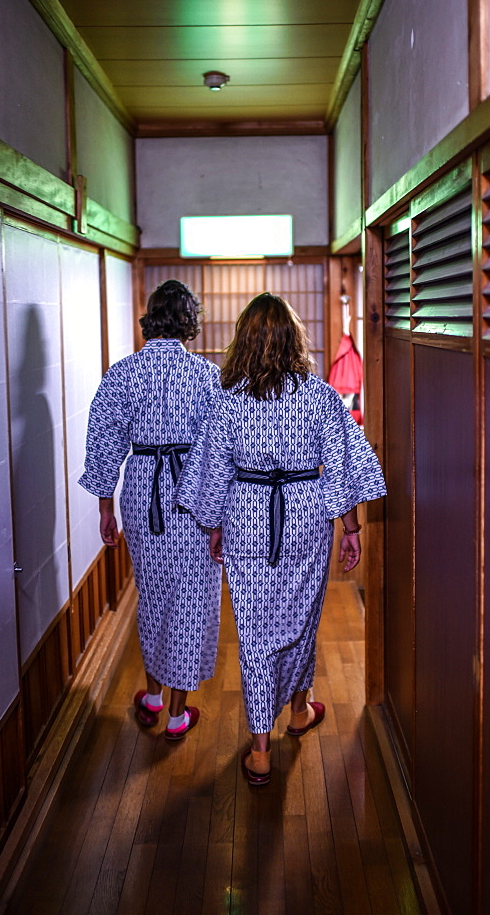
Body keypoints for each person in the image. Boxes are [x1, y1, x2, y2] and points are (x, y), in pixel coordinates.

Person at [176, 292, 386, 785]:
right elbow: (341, 468)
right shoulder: (318, 396)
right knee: (300, 619)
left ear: (242, 341)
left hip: (246, 515)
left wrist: (214, 527)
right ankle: (296, 711)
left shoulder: (227, 401)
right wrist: (350, 530)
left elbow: (213, 473)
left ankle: (261, 748)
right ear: (294, 339)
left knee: (254, 633)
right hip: (305, 516)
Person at [79, 280, 222, 741]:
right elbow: (222, 449)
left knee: (153, 591)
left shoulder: (122, 374)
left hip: (142, 490)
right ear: (189, 321)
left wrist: (106, 509)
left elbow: (104, 445)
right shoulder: (205, 375)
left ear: (150, 319)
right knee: (192, 597)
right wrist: (222, 512)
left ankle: (153, 695)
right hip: (193, 490)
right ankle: (178, 714)